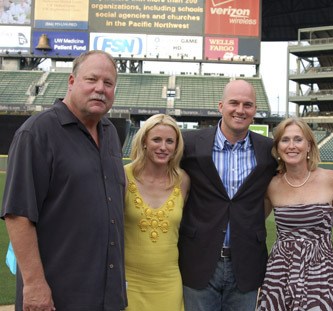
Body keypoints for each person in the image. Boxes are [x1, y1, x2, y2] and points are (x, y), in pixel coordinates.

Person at [1, 50, 127, 310]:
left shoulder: (110, 132)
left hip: (106, 294)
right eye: (91, 80)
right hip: (59, 295)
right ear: (71, 82)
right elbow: (18, 215)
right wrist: (34, 285)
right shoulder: (37, 133)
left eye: (108, 83)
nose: (100, 89)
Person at [178, 79, 277, 310]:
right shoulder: (190, 144)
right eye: (234, 103)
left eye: (248, 104)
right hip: (198, 260)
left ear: (255, 110)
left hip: (246, 262)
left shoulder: (269, 150)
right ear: (220, 106)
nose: (240, 110)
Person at [257, 117, 333, 310]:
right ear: (278, 148)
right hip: (280, 272)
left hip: (322, 270)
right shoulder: (271, 185)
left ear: (309, 145)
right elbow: (254, 221)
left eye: (298, 139)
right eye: (285, 140)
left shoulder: (331, 179)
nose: (292, 146)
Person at [124, 114, 190, 310]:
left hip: (168, 283)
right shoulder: (124, 176)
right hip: (129, 282)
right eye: (156, 139)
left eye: (170, 141)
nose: (163, 147)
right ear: (144, 141)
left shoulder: (183, 181)